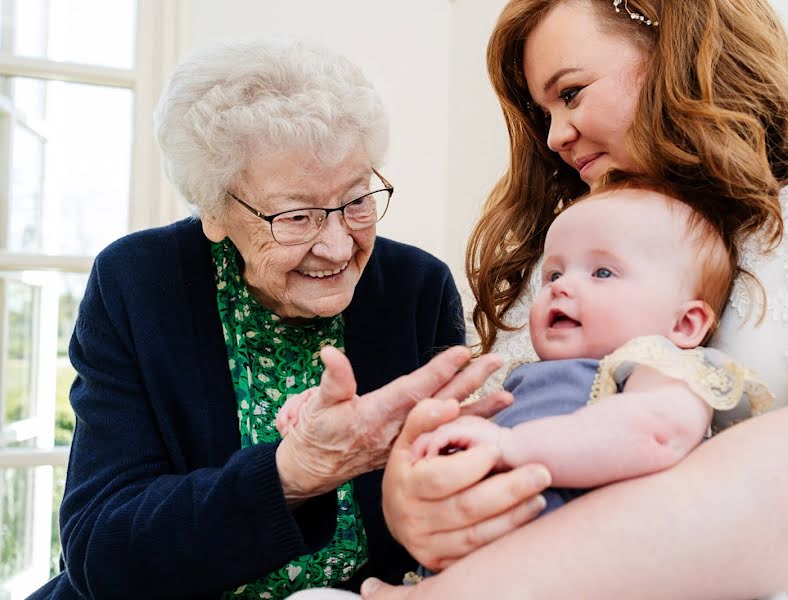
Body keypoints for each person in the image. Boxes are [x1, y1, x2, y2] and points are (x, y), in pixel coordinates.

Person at [366, 1, 788, 598]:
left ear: (679, 51)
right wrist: (415, 505)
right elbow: (509, 431)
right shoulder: (568, 265)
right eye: (543, 113)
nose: (555, 136)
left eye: (570, 93)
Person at [27, 37, 510, 600]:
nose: (335, 246)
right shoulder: (139, 283)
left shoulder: (416, 288)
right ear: (213, 209)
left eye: (356, 200)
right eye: (296, 216)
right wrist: (293, 474)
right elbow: (103, 554)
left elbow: (441, 527)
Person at [407, 183, 773, 518]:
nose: (562, 286)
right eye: (553, 274)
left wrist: (509, 445)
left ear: (684, 325)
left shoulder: (659, 364)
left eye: (602, 272)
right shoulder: (524, 376)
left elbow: (654, 435)